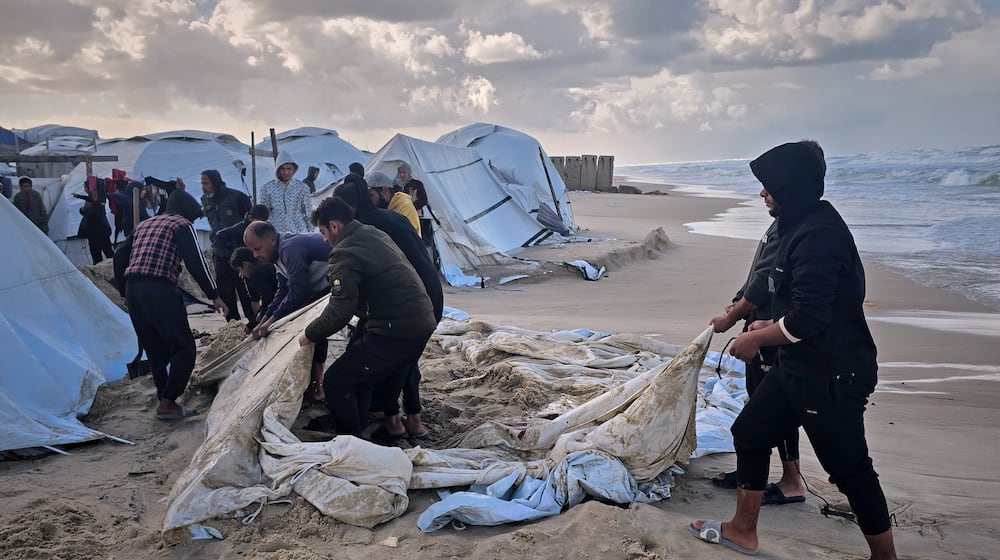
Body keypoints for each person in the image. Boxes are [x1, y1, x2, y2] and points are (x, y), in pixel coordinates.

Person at [690, 142, 897, 559]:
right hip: (798, 366)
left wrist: (754, 337)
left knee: (850, 471)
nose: (762, 194)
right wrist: (768, 322)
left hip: (832, 375)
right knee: (748, 432)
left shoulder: (819, 235)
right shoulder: (795, 222)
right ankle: (743, 530)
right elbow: (795, 302)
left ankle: (885, 557)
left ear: (791, 186)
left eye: (768, 186)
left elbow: (810, 319)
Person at [707, 141, 827, 504]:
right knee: (758, 401)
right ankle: (753, 473)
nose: (762, 192)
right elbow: (757, 274)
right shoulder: (784, 224)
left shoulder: (798, 230)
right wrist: (736, 306)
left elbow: (763, 285)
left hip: (774, 331)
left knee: (773, 407)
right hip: (763, 327)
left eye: (770, 184)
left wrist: (734, 315)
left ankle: (791, 481)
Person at [298, 197, 436, 438]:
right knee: (360, 370)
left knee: (336, 382)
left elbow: (341, 309)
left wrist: (309, 334)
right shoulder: (370, 232)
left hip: (397, 329)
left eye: (322, 232)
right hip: (422, 319)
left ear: (334, 226)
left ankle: (351, 440)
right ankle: (363, 422)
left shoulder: (343, 253)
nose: (323, 239)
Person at [335, 173, 443, 438]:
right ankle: (412, 419)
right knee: (407, 358)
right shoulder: (392, 216)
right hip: (433, 294)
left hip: (413, 300)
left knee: (391, 357)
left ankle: (393, 420)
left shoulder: (365, 227)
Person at [113, 189, 227, 420]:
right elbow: (196, 262)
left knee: (155, 349)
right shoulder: (182, 224)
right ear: (188, 212)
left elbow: (119, 256)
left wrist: (124, 290)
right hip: (159, 288)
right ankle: (169, 401)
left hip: (134, 288)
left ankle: (164, 400)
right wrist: (214, 294)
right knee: (184, 347)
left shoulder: (145, 224)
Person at [244, 220, 331, 404]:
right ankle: (314, 385)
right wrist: (264, 320)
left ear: (271, 239)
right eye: (252, 251)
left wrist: (270, 322)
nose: (255, 255)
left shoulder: (289, 249)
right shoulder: (276, 255)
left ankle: (318, 388)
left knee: (314, 332)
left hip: (330, 285)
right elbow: (283, 289)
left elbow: (299, 291)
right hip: (316, 288)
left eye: (257, 249)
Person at [201, 169, 253, 323]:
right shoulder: (205, 200)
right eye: (202, 183)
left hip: (237, 250)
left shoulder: (237, 197)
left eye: (206, 183)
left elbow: (249, 221)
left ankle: (253, 321)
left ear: (215, 182)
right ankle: (233, 325)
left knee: (245, 288)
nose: (203, 186)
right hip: (219, 252)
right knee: (225, 291)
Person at [215, 203, 271, 328]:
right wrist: (227, 253)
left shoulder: (264, 229)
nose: (259, 226)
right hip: (240, 262)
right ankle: (247, 321)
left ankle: (256, 320)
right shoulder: (240, 228)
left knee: (257, 293)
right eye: (258, 222)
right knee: (246, 294)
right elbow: (220, 235)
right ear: (250, 218)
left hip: (254, 262)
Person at [259, 150, 312, 233]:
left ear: (294, 169)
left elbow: (308, 213)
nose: (286, 172)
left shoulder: (302, 188)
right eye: (282, 169)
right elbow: (263, 215)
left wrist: (310, 234)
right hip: (277, 234)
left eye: (289, 169)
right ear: (277, 169)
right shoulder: (267, 189)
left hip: (300, 233)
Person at [230, 246, 277, 322]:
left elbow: (268, 299)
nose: (240, 274)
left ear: (245, 265)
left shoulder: (256, 273)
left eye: (239, 270)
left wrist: (254, 324)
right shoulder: (263, 264)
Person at [367, 170, 420, 236]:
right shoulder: (387, 208)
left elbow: (406, 237)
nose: (369, 200)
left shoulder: (405, 207)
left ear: (385, 191)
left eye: (371, 195)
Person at [76, 183, 114, 264]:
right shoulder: (90, 199)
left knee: (108, 254)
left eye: (85, 187)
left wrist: (79, 198)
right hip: (92, 232)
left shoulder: (98, 198)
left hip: (100, 230)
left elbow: (94, 211)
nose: (85, 189)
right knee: (97, 256)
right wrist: (83, 210)